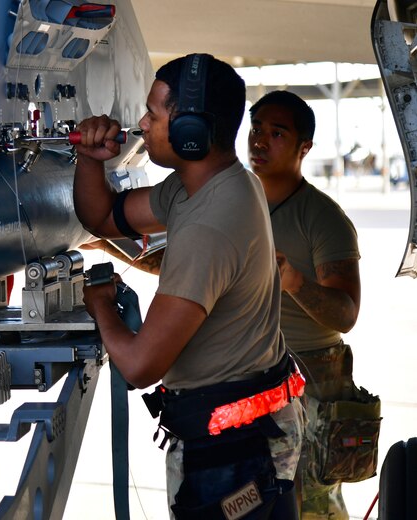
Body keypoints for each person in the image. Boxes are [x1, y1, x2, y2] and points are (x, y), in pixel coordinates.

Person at [74, 53, 305, 518]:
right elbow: (101, 216)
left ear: (190, 131)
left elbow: (139, 366)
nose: (141, 123)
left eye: (154, 114)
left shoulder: (209, 225)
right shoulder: (209, 185)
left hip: (234, 455)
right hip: (252, 433)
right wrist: (89, 158)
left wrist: (100, 306)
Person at [248, 90, 362, 520]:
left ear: (304, 148)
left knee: (312, 504)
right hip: (250, 375)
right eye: (256, 129)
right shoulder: (238, 203)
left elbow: (346, 313)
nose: (260, 141)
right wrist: (106, 242)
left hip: (309, 379)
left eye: (276, 133)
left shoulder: (322, 217)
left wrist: (294, 281)